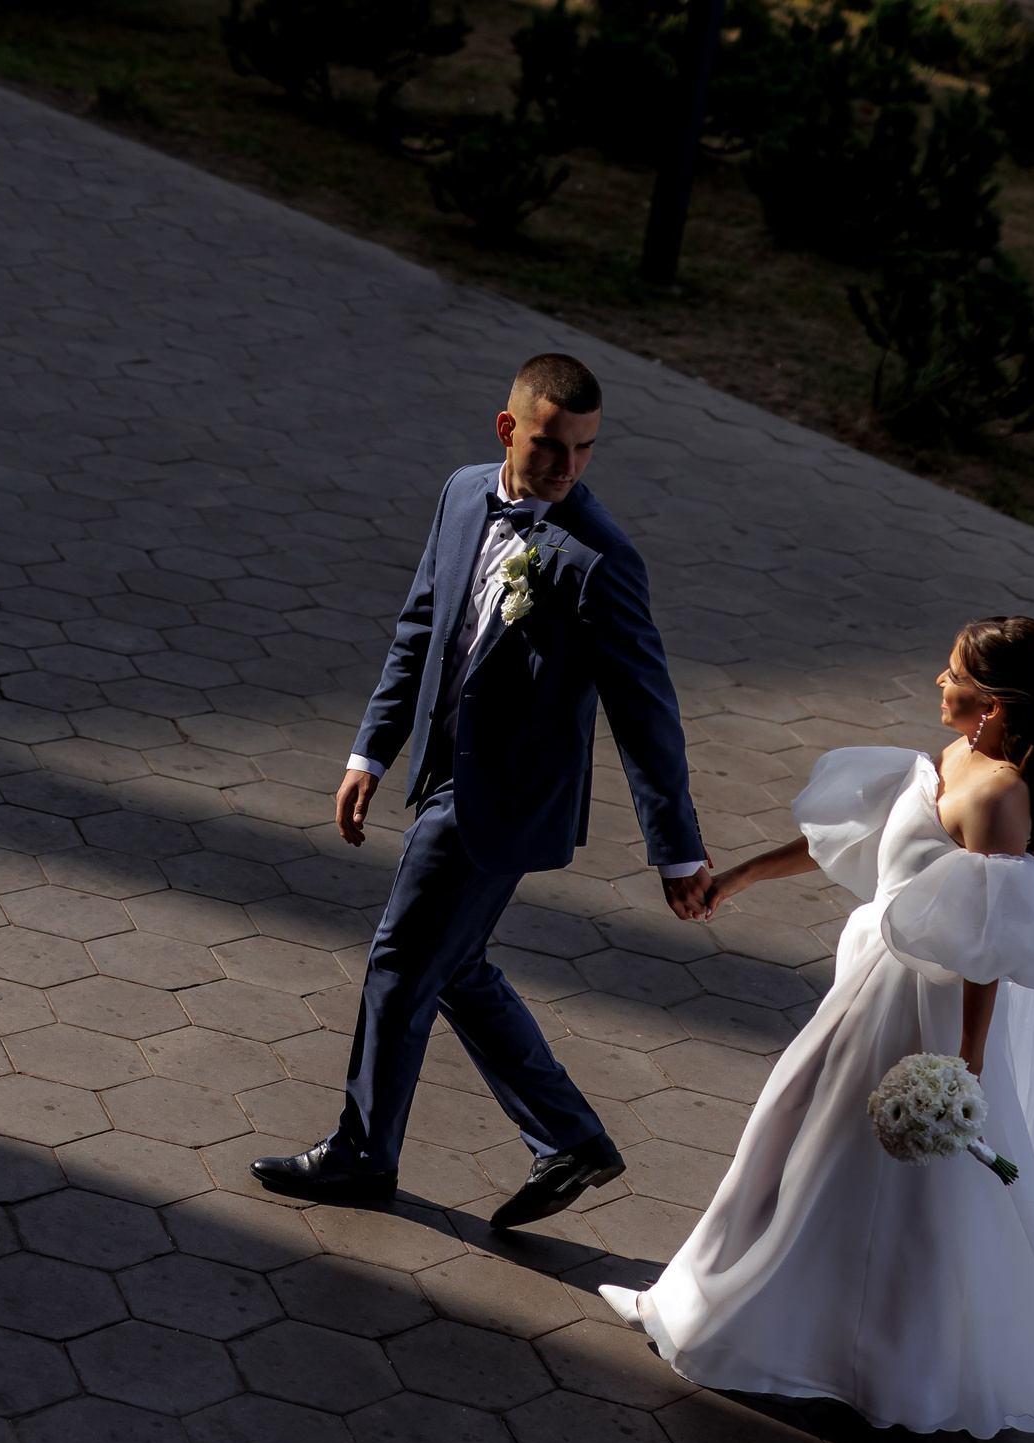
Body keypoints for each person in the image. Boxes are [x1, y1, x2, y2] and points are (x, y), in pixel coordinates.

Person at [600, 619, 1034, 1443]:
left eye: (953, 675)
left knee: (870, 1182)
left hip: (922, 1016)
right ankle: (719, 1304)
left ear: (992, 707)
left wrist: (961, 1066)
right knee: (794, 1145)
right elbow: (852, 844)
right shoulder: (951, 759)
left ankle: (848, 1355)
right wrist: (740, 879)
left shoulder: (1000, 798)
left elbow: (986, 948)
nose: (936, 680)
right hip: (868, 987)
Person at [250, 354, 712, 1230]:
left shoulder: (600, 558)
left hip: (501, 794)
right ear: (508, 430)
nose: (568, 466)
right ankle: (569, 1139)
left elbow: (645, 708)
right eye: (550, 445)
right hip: (440, 766)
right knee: (453, 966)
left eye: (584, 449)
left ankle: (361, 1153)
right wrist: (370, 753)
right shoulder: (464, 492)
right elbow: (423, 623)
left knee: (399, 960)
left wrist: (677, 848)